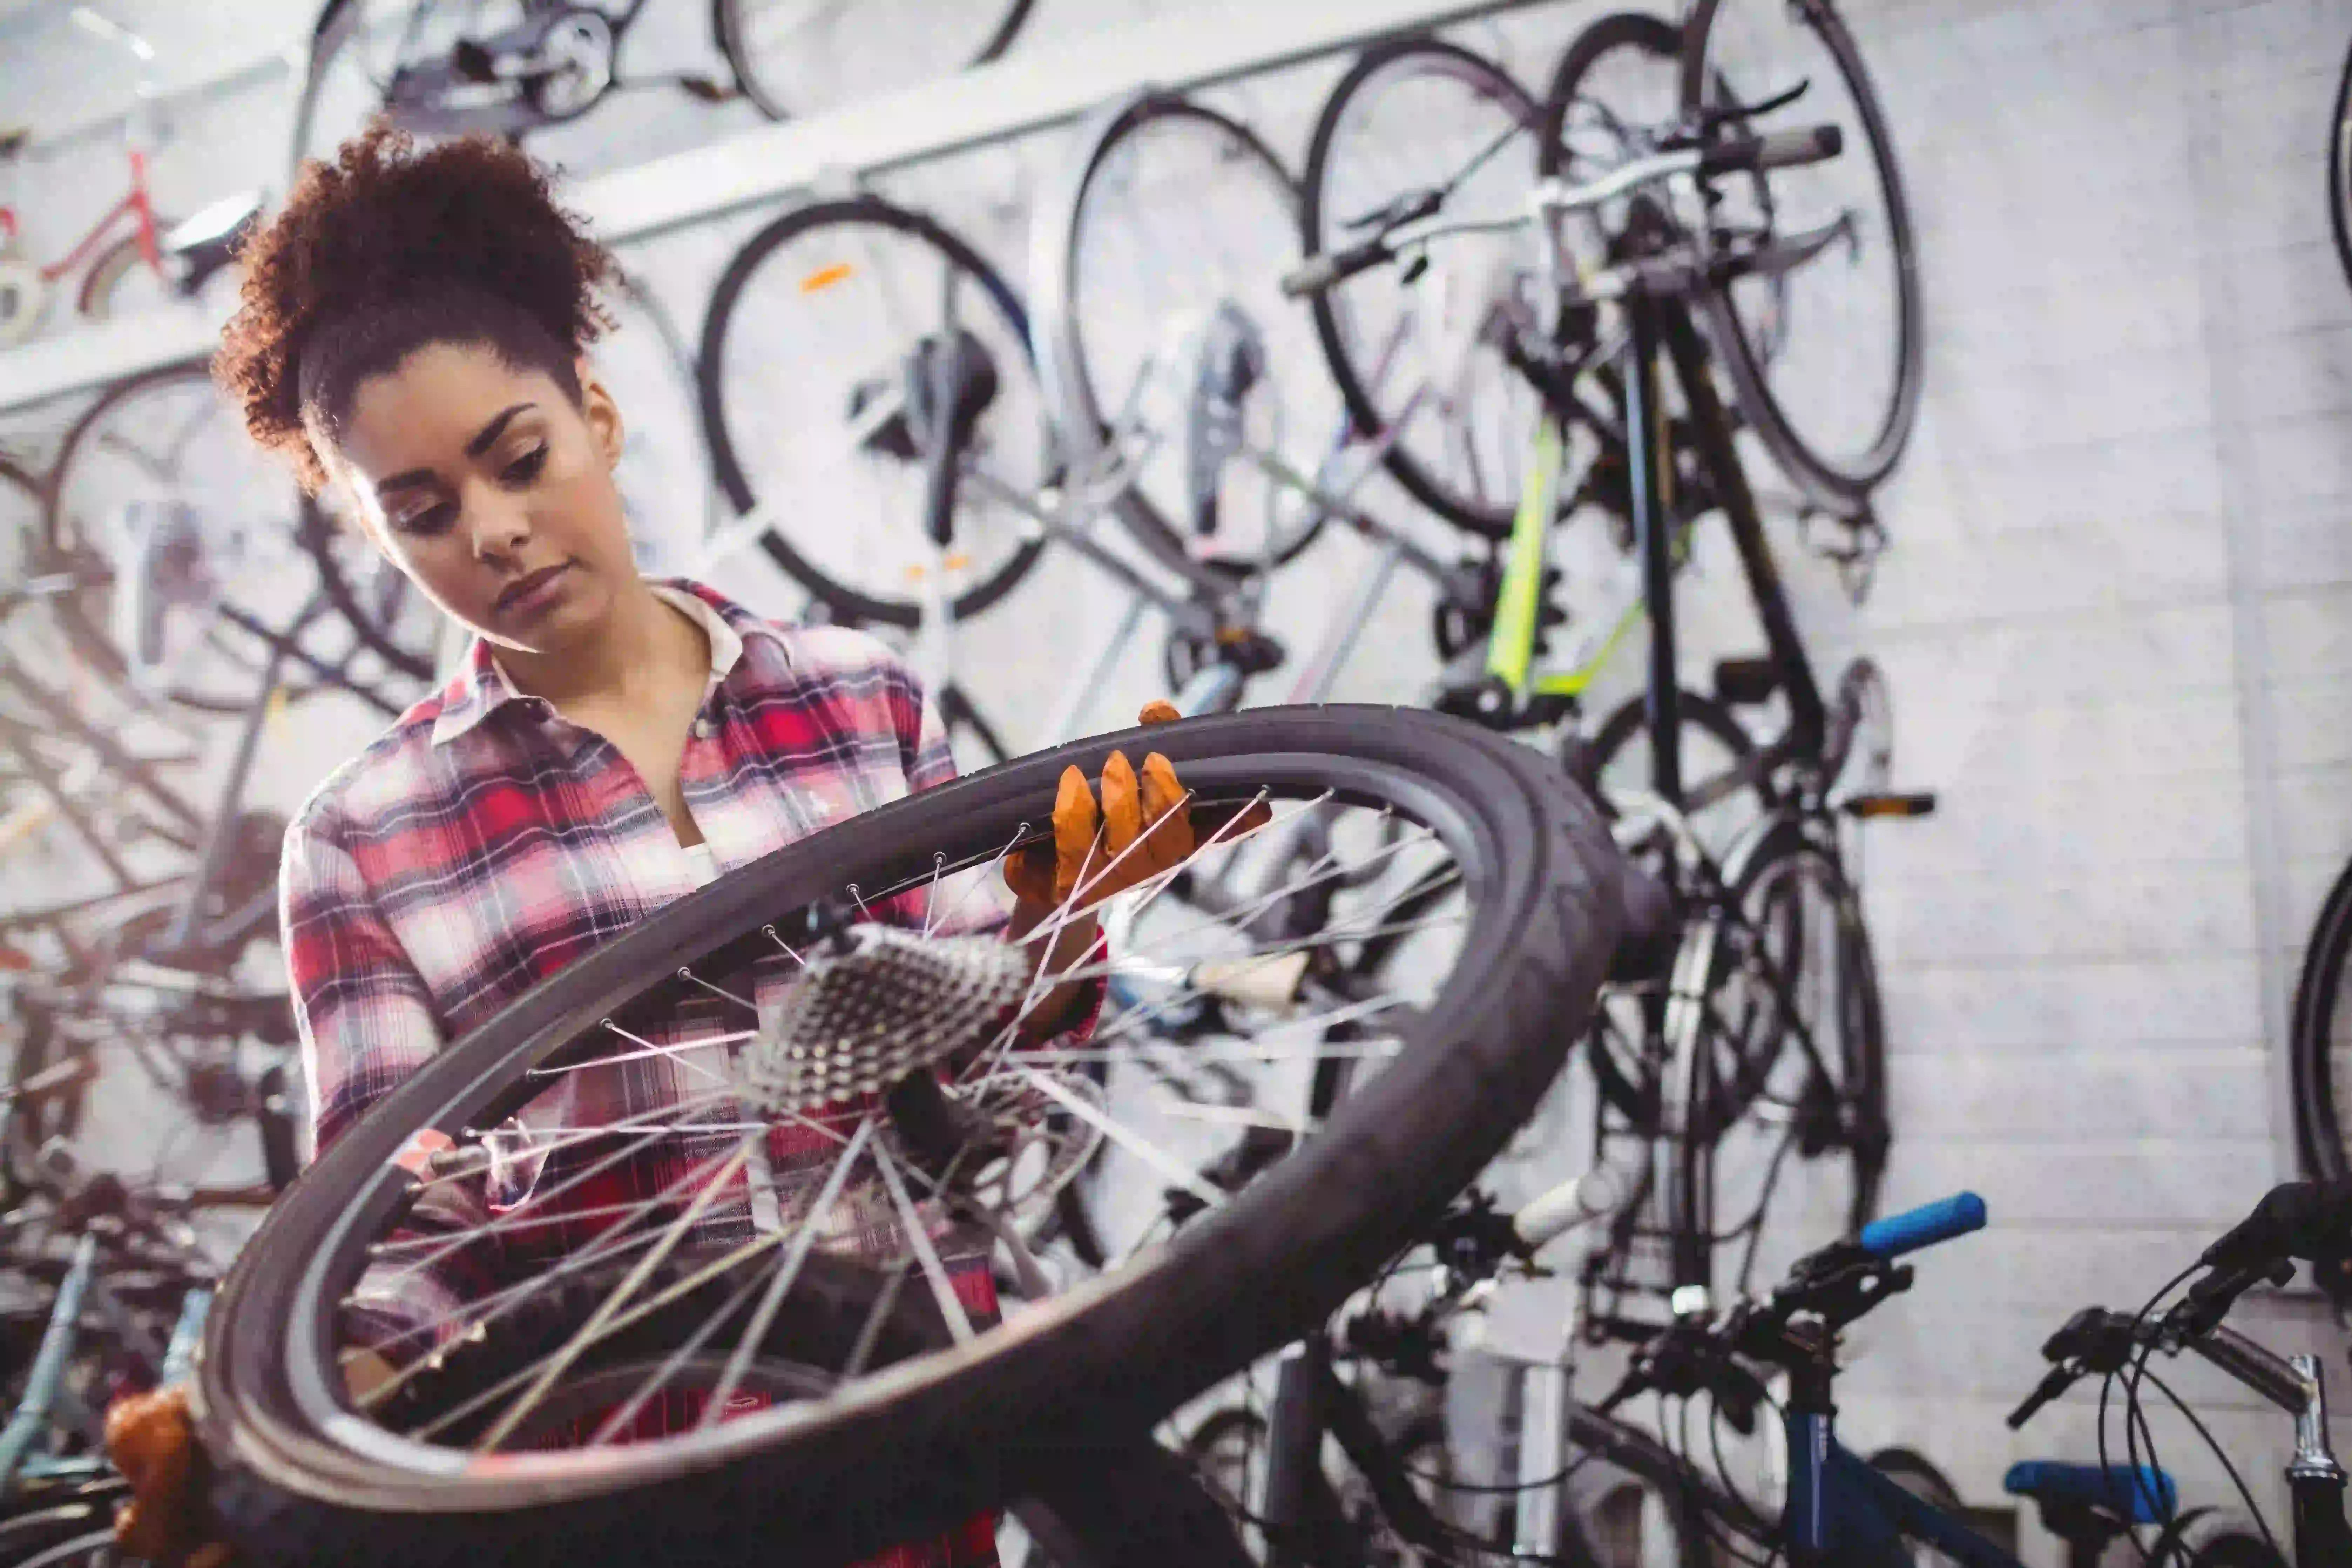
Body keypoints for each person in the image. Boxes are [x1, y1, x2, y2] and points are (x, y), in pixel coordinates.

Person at [105, 124, 1226, 1567]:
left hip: (923, 1448)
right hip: (625, 1513)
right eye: (425, 510)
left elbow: (983, 1101)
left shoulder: (854, 692)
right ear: (375, 534)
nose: (496, 532)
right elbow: (403, 1230)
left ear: (598, 413)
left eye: (521, 458)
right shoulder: (361, 842)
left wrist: (1071, 920)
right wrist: (289, 1427)